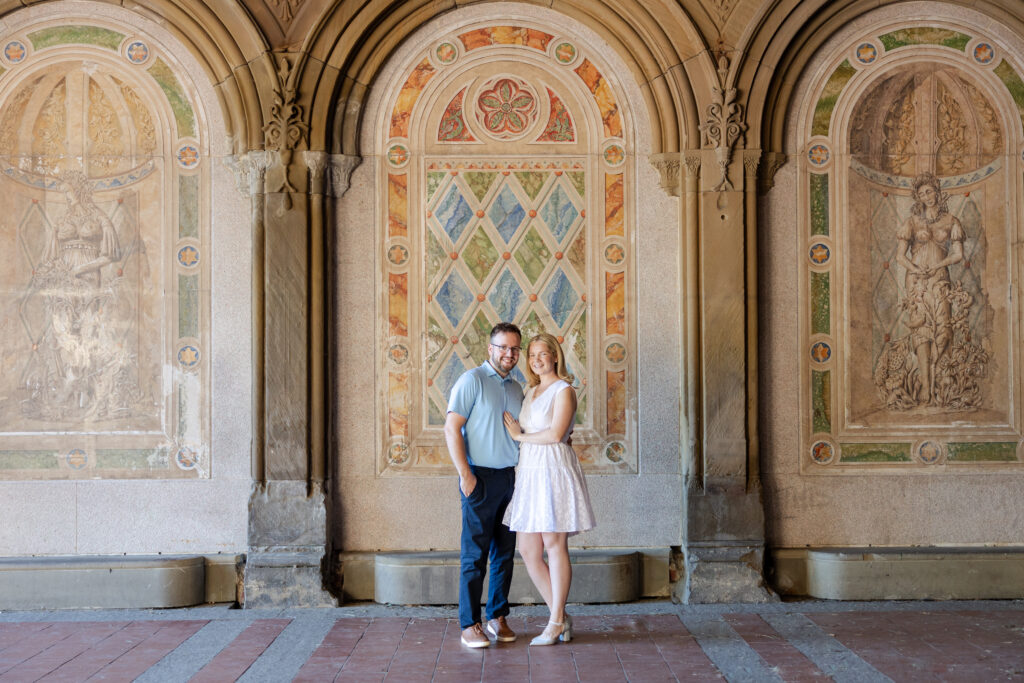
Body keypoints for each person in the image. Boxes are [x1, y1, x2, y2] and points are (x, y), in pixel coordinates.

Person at [502, 332, 595, 646]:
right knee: (529, 550)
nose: (536, 359)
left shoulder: (564, 390)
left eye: (542, 354)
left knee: (554, 545)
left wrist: (518, 436)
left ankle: (555, 622)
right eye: (531, 355)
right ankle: (561, 616)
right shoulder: (531, 391)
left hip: (552, 469)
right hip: (530, 471)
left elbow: (556, 435)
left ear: (555, 356)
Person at [444, 322, 525, 648]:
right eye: (503, 347)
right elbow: (452, 428)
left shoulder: (516, 389)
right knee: (474, 555)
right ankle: (469, 624)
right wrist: (466, 474)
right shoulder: (472, 380)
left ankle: (497, 616)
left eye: (514, 348)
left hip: (509, 478)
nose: (509, 353)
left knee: (505, 553)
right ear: (490, 349)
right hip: (478, 477)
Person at [894, 172, 964, 405]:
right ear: (918, 197)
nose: (927, 196)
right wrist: (915, 268)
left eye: (930, 191)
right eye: (922, 193)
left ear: (937, 191)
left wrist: (938, 265)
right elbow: (899, 256)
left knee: (943, 328)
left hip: (940, 278)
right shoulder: (912, 222)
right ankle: (925, 384)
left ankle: (938, 378)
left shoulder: (952, 221)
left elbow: (958, 255)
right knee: (922, 330)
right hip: (917, 282)